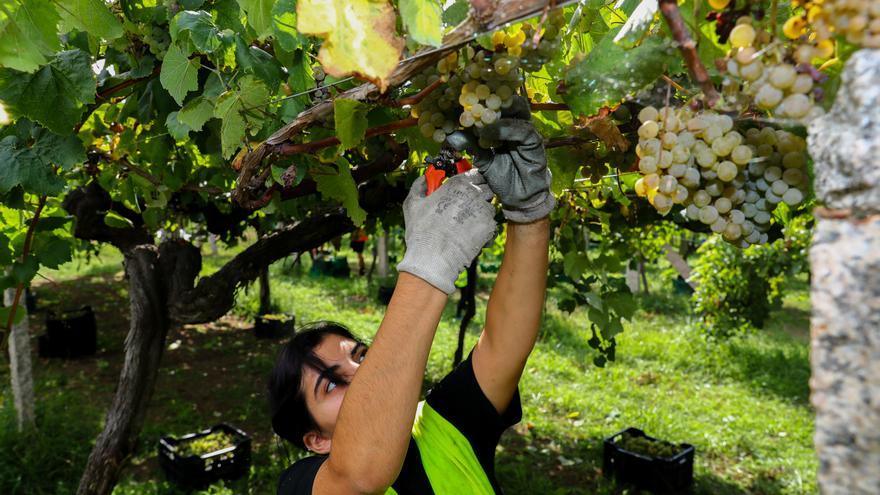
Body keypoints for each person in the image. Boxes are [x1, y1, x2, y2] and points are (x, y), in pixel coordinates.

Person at [268, 97, 554, 495]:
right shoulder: (303, 485)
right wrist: (429, 263)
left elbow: (505, 346)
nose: (358, 372)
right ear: (317, 441)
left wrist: (530, 214)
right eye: (330, 384)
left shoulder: (442, 423)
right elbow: (361, 477)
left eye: (360, 355)